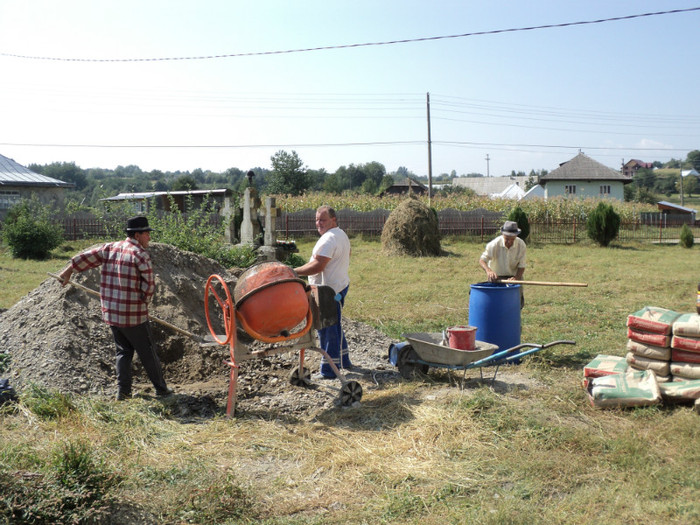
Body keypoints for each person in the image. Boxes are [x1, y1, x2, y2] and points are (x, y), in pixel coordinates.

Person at [58, 216, 173, 401]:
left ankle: (123, 393)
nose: (149, 238)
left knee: (123, 352)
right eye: (147, 234)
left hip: (112, 314)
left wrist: (68, 270)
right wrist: (143, 302)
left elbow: (85, 258)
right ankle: (161, 390)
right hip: (133, 316)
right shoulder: (140, 254)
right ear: (137, 235)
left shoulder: (110, 247)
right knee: (147, 353)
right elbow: (149, 286)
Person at [295, 206, 351, 379]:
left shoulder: (329, 239)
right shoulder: (340, 234)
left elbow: (318, 265)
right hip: (339, 287)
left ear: (333, 219)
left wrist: (293, 272)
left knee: (327, 328)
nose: (318, 223)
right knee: (334, 325)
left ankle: (329, 371)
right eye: (317, 220)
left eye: (323, 220)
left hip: (328, 292)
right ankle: (344, 360)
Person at [479, 220, 526, 308]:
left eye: (512, 239)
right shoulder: (493, 245)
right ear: (502, 235)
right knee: (496, 306)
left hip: (514, 277)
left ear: (516, 236)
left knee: (515, 305)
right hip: (497, 278)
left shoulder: (521, 245)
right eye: (507, 239)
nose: (509, 242)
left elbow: (522, 265)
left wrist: (516, 278)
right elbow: (482, 260)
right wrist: (489, 271)